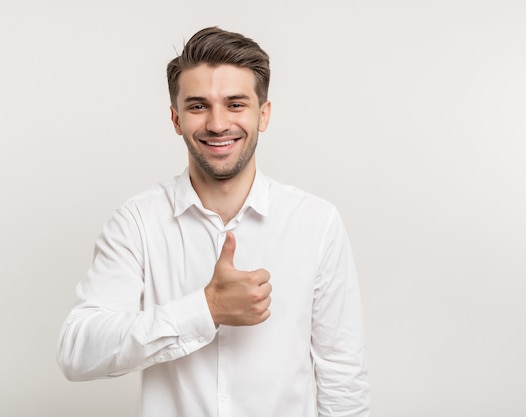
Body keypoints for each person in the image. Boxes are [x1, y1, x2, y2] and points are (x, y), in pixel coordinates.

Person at [57, 26, 370, 416]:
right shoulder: (136, 222)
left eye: (236, 104)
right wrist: (205, 309)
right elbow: (77, 351)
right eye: (198, 105)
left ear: (264, 114)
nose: (218, 124)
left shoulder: (316, 222)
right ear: (175, 119)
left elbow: (343, 378)